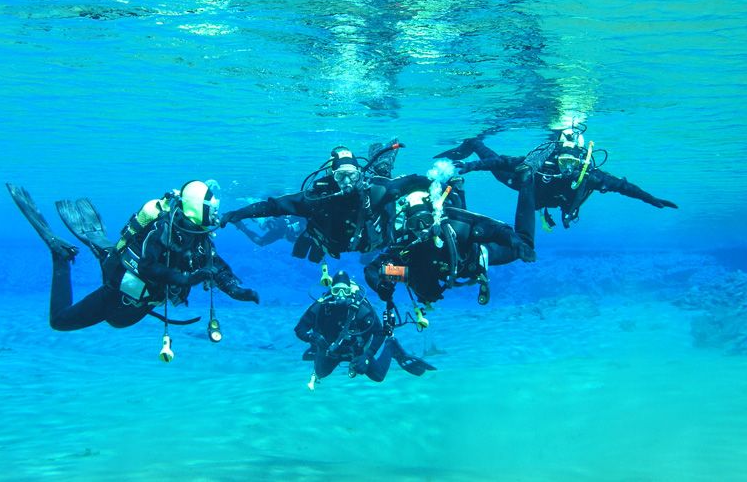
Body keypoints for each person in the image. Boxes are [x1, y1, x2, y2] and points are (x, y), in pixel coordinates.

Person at [6, 181, 259, 335]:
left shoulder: (197, 233)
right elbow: (148, 267)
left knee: (112, 262)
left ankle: (107, 252)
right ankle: (60, 257)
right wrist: (187, 279)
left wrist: (236, 290)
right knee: (59, 321)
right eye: (210, 211)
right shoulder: (162, 230)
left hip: (140, 303)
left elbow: (214, 264)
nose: (214, 217)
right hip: (117, 298)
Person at [436, 126, 678, 231]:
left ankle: (473, 145)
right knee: (494, 163)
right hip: (522, 186)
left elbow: (624, 187)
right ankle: (472, 143)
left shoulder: (590, 176)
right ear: (557, 157)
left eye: (572, 163)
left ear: (581, 161)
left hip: (539, 198)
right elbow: (503, 162)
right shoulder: (544, 164)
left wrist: (651, 199)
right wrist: (472, 166)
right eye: (564, 161)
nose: (567, 168)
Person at [220, 146, 431, 263]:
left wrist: (437, 182)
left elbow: (409, 183)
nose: (347, 182)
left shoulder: (374, 192)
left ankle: (383, 166)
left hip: (373, 242)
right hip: (336, 245)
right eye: (341, 176)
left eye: (352, 176)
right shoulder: (316, 199)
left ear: (359, 175)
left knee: (386, 185)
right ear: (332, 176)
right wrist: (238, 213)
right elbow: (275, 206)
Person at [364, 187, 535, 327]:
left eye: (426, 220)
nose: (421, 228)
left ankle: (525, 180)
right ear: (407, 225)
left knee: (525, 242)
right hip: (429, 274)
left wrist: (517, 243)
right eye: (414, 223)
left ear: (435, 216)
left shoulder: (456, 224)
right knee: (403, 273)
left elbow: (494, 229)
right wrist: (379, 286)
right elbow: (372, 269)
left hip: (473, 260)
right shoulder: (404, 245)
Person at [294, 270, 435, 388]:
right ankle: (315, 349)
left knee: (378, 376)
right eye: (336, 290)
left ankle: (391, 346)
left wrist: (367, 356)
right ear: (331, 291)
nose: (341, 295)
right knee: (321, 373)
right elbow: (299, 329)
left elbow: (379, 332)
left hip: (357, 350)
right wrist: (311, 338)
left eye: (345, 291)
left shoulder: (360, 308)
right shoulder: (322, 306)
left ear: (350, 291)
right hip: (331, 350)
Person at [233, 215, 306, 247]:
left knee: (261, 241)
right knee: (261, 240)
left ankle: (241, 225)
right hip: (282, 226)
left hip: (282, 231)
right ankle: (242, 225)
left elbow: (291, 239)